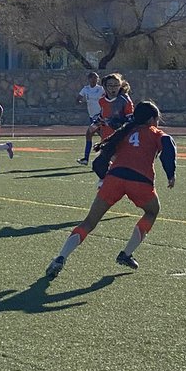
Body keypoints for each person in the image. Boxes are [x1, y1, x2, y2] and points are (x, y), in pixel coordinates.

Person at [46, 100, 176, 278]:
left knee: (89, 222)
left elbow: (109, 154)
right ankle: (126, 254)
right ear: (152, 119)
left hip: (114, 178)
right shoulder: (155, 133)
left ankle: (60, 257)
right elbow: (168, 145)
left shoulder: (124, 131)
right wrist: (171, 173)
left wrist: (104, 175)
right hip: (140, 181)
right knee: (152, 211)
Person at [91, 74, 134, 172]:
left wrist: (116, 123)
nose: (113, 88)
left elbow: (130, 120)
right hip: (106, 136)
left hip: (120, 137)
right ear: (105, 87)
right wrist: (97, 122)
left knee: (119, 163)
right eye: (110, 85)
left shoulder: (125, 100)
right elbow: (103, 115)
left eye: (116, 85)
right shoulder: (102, 100)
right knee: (101, 166)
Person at [75, 71, 105, 165]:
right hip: (92, 116)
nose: (94, 80)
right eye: (92, 78)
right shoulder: (86, 89)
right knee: (103, 137)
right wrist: (80, 102)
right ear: (89, 79)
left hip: (99, 116)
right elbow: (78, 99)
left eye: (96, 78)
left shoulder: (101, 89)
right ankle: (87, 159)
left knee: (92, 134)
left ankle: (88, 159)